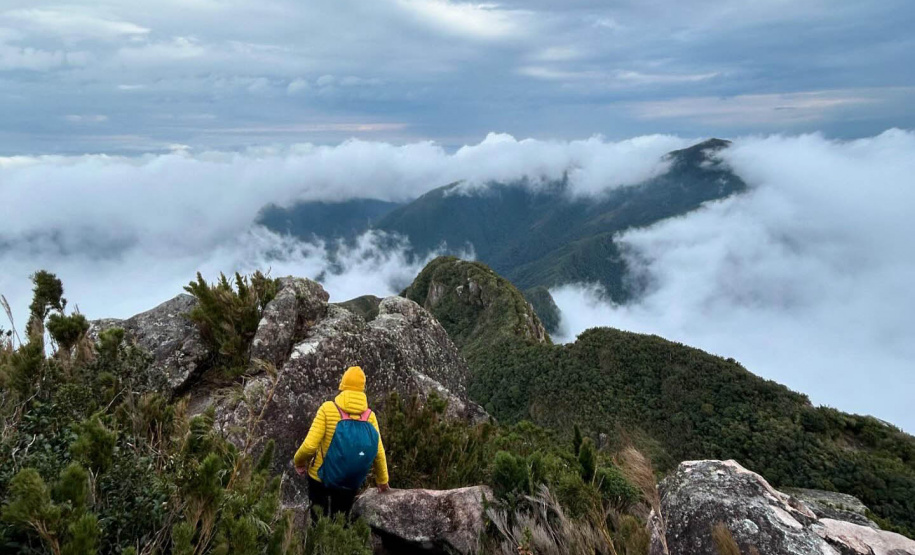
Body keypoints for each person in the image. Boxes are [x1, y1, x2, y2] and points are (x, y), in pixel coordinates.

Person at [293, 366, 390, 520]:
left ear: (342, 385)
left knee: (318, 522)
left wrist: (299, 462)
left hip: (320, 477)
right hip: (349, 480)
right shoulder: (369, 416)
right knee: (340, 522)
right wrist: (382, 480)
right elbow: (378, 452)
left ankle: (317, 536)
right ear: (363, 389)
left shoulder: (327, 409)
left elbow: (310, 446)